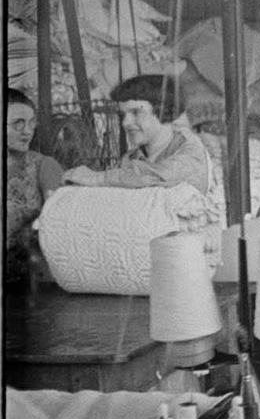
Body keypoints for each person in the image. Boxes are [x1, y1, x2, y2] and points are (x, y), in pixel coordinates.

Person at [62, 74, 209, 195]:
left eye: (136, 112)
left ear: (164, 110)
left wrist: (96, 178)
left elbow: (158, 176)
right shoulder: (130, 159)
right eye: (123, 115)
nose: (125, 122)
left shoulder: (191, 151)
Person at [5, 88, 63, 284]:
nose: (28, 131)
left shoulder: (45, 167)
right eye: (18, 124)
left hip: (30, 279)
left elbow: (58, 223)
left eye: (31, 123)